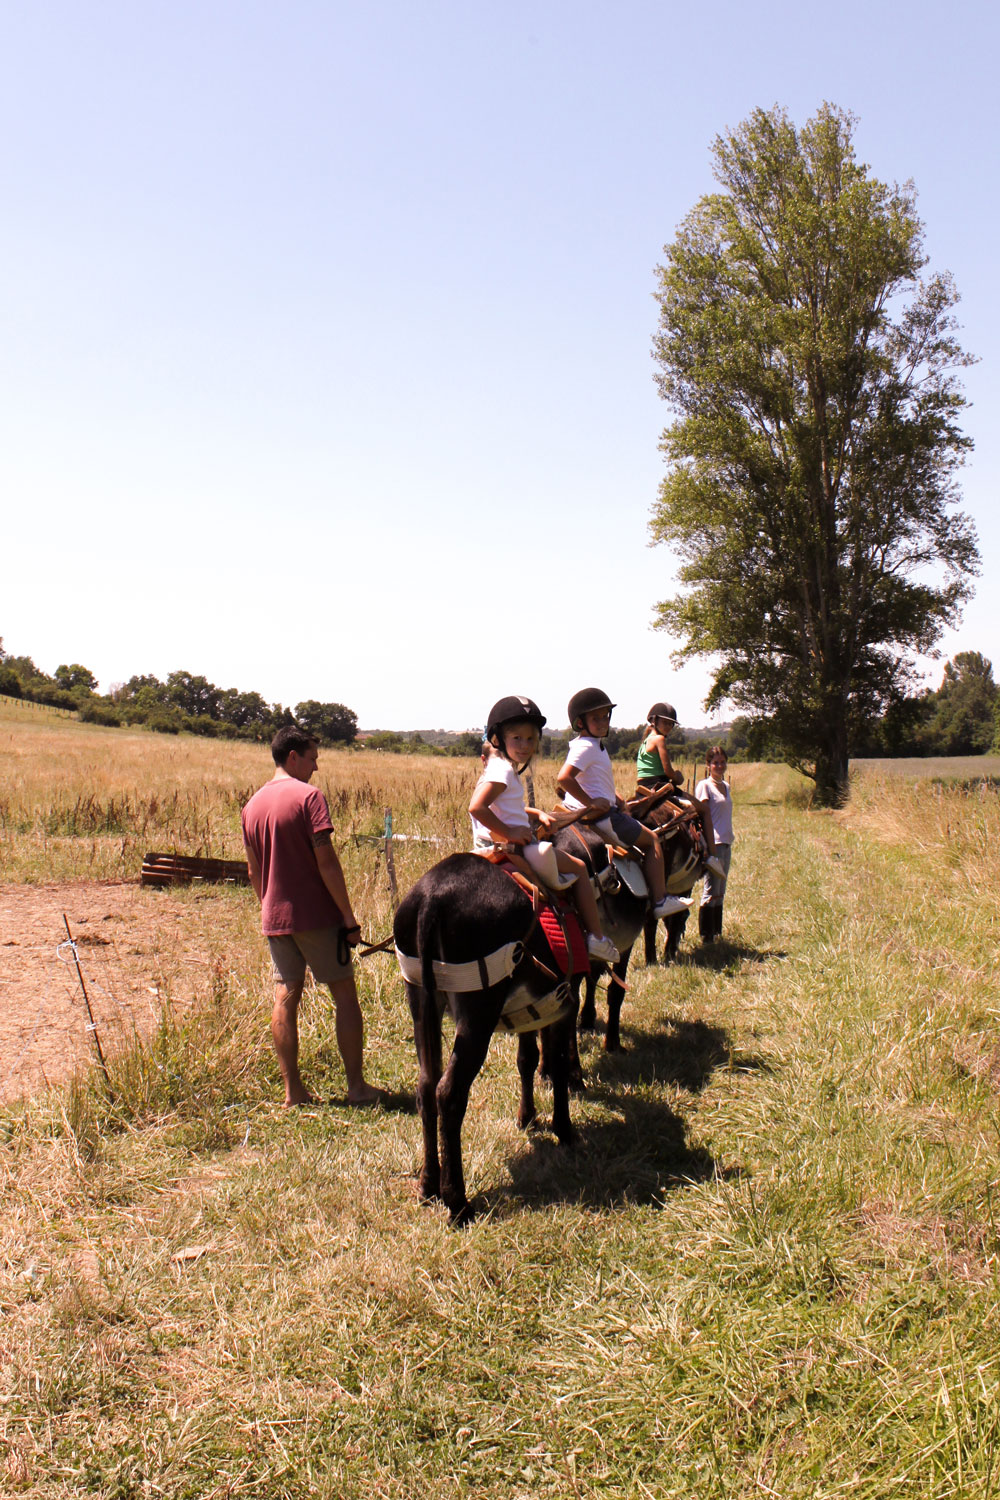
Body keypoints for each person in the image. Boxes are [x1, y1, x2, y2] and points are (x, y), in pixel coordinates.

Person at [241, 726, 379, 1108]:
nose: (316, 767)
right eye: (313, 758)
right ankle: (357, 1087)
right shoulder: (309, 798)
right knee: (345, 996)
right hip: (316, 916)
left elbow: (254, 872)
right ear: (292, 757)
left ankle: (293, 1093)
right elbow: (328, 862)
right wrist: (348, 919)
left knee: (285, 997)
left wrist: (269, 907)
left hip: (275, 918)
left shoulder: (250, 807)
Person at [469, 695, 620, 963]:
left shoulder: (500, 767)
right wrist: (512, 832)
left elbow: (503, 806)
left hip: (495, 844)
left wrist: (534, 812)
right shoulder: (504, 771)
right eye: (517, 738)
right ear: (499, 739)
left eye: (530, 739)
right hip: (514, 847)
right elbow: (477, 808)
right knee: (579, 868)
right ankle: (596, 937)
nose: (525, 745)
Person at [556, 688, 691, 920]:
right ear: (581, 722)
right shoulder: (588, 747)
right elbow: (564, 778)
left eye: (605, 716)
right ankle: (660, 900)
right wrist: (591, 804)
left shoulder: (589, 744)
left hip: (584, 810)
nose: (602, 722)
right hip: (602, 817)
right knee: (652, 840)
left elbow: (595, 781)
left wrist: (617, 798)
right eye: (596, 718)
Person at [636, 701, 725, 876]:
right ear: (654, 720)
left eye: (671, 724)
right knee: (705, 810)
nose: (668, 727)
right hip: (660, 787)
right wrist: (678, 776)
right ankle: (712, 857)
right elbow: (668, 770)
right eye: (665, 722)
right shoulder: (659, 739)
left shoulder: (644, 742)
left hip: (642, 789)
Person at [695, 745, 734, 943]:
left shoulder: (726, 786)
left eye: (722, 762)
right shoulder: (705, 785)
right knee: (711, 889)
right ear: (708, 765)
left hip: (727, 841)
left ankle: (716, 931)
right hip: (714, 843)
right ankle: (706, 935)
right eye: (715, 762)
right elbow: (702, 814)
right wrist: (708, 846)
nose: (719, 766)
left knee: (721, 889)